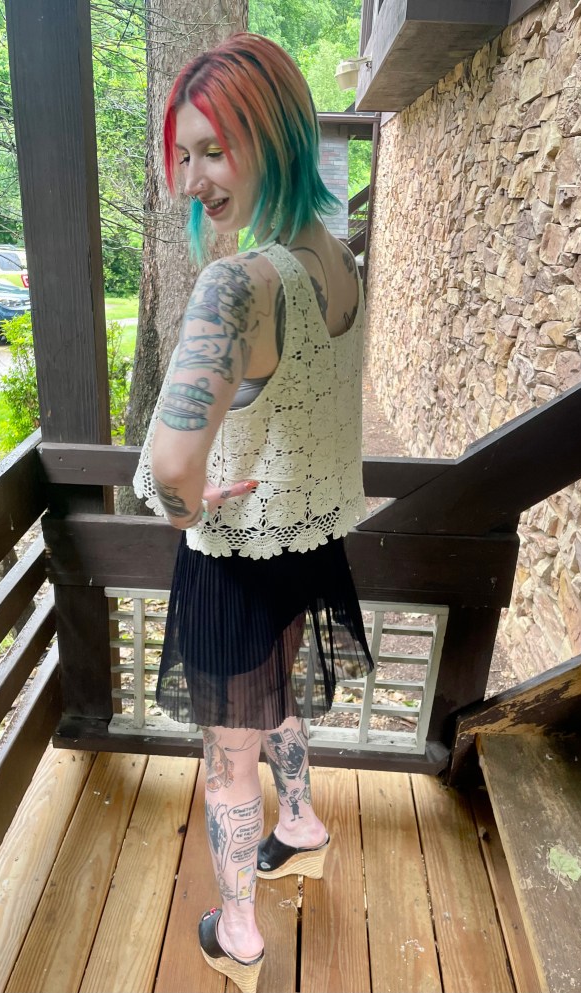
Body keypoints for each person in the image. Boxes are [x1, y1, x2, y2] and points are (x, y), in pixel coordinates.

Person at [133, 31, 374, 993]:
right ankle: (301, 822)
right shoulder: (338, 261)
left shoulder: (238, 284)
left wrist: (183, 501)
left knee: (226, 755)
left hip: (236, 557)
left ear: (273, 137)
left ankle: (236, 933)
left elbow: (171, 467)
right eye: (183, 154)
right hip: (307, 539)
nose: (192, 180)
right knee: (279, 696)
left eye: (213, 150)